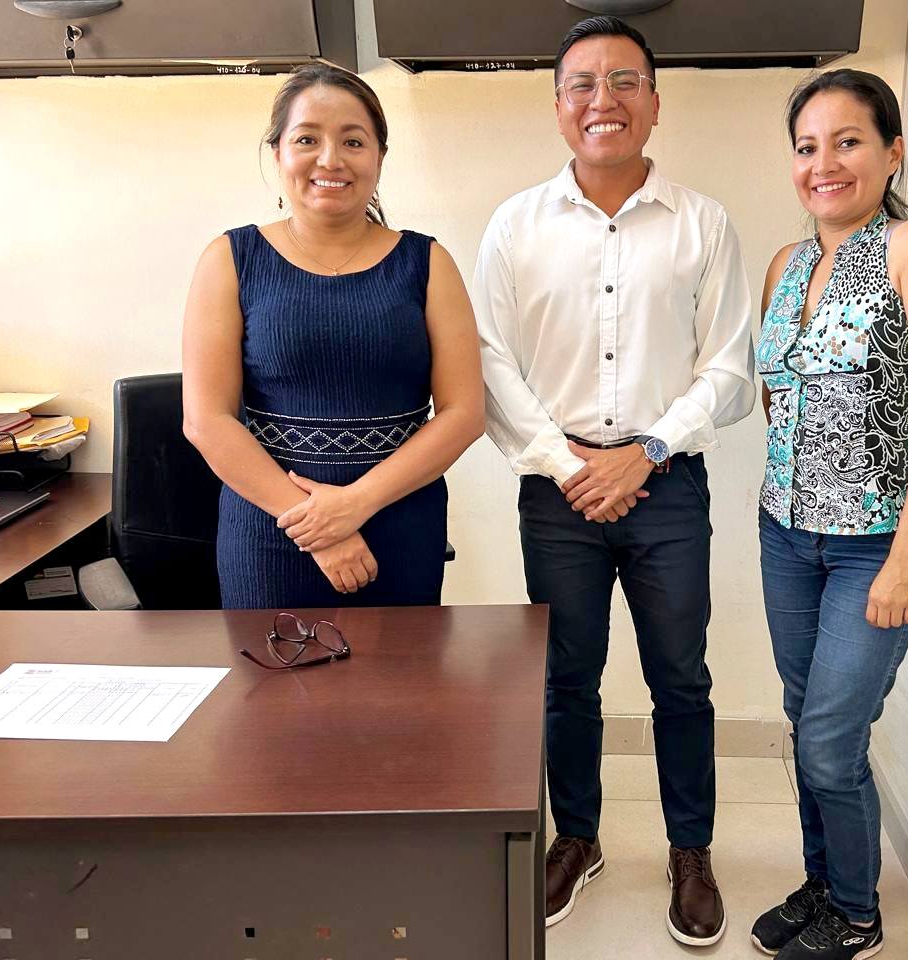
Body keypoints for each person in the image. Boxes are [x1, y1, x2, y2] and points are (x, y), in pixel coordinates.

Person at [473, 15, 754, 947]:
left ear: (656, 104)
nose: (606, 99)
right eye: (584, 84)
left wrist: (646, 453)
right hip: (556, 493)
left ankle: (690, 851)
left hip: (666, 485)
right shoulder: (515, 225)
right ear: (559, 107)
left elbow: (730, 368)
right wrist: (570, 466)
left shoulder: (703, 222)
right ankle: (578, 839)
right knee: (566, 678)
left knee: (682, 678)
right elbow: (491, 363)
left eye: (626, 81)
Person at [751, 69, 908, 960]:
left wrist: (907, 555)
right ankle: (822, 885)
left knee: (830, 739)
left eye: (848, 141)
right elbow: (780, 393)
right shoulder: (787, 264)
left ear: (893, 152)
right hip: (785, 533)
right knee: (804, 718)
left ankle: (856, 912)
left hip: (876, 545)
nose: (825, 164)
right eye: (807, 147)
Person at [182, 64, 484, 610]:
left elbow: (464, 414)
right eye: (307, 139)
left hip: (400, 527)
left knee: (400, 668)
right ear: (277, 153)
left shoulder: (427, 262)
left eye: (353, 141)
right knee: (268, 668)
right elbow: (207, 420)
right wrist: (320, 527)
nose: (330, 159)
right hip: (270, 533)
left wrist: (354, 505)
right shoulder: (230, 259)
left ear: (379, 157)